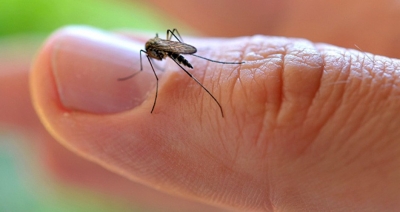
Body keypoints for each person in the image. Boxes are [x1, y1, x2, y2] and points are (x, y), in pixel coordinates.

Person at [3, 1, 400, 211]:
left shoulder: (156, 50)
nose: (150, 56)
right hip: (181, 50)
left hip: (186, 53)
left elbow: (161, 55)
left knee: (185, 73)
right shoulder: (153, 50)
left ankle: (214, 77)